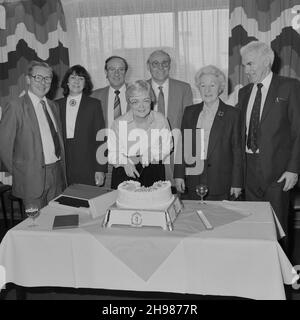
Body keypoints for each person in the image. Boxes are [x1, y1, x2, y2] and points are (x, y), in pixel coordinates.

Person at [238, 41, 300, 238]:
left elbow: (298, 131)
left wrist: (293, 169)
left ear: (267, 61)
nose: (246, 70)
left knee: (277, 229)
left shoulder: (289, 87)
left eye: (250, 64)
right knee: (254, 226)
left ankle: (280, 268)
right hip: (248, 171)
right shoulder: (244, 92)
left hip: (278, 173)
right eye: (244, 65)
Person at [0, 60, 66, 210]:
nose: (43, 82)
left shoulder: (53, 106)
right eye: (38, 77)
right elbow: (4, 147)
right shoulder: (15, 106)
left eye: (47, 78)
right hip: (31, 179)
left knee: (56, 220)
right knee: (35, 225)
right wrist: (22, 172)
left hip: (56, 174)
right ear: (28, 79)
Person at [174, 65, 243, 200]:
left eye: (212, 85)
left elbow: (237, 151)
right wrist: (178, 174)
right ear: (198, 88)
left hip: (221, 181)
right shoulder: (190, 112)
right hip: (193, 178)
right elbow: (183, 146)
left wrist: (237, 182)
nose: (207, 90)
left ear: (220, 87)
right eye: (203, 85)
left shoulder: (233, 114)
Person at [108, 80, 173, 189]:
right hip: (125, 171)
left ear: (151, 101)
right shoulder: (118, 123)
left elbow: (168, 146)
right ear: (129, 103)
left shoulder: (161, 119)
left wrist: (152, 153)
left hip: (153, 171)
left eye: (146, 100)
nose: (141, 106)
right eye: (135, 101)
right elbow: (112, 153)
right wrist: (124, 162)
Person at [147, 50, 193, 185]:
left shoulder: (184, 88)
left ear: (170, 65)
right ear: (148, 66)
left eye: (164, 63)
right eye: (155, 63)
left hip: (175, 151)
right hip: (147, 152)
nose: (160, 67)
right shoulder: (140, 87)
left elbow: (188, 123)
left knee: (175, 194)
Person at [56, 65, 107, 186]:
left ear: (85, 83)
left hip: (87, 162)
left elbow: (101, 138)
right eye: (73, 77)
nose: (76, 81)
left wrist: (100, 169)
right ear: (67, 82)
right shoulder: (56, 105)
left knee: (86, 199)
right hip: (62, 164)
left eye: (81, 78)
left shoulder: (94, 105)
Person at [92, 56, 128, 188]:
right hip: (104, 159)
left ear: (125, 72)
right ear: (106, 72)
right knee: (106, 200)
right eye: (112, 69)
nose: (116, 73)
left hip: (132, 159)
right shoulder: (94, 96)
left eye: (121, 69)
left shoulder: (137, 93)